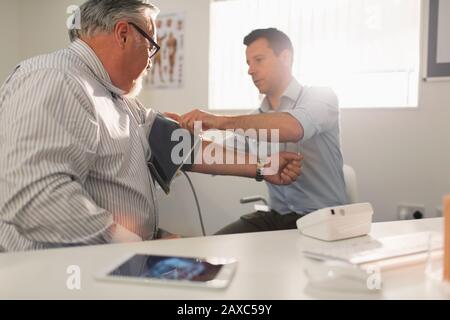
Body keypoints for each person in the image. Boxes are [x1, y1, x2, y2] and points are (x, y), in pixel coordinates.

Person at [0, 3, 302, 252]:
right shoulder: (55, 78)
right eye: (151, 44)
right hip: (58, 278)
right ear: (123, 34)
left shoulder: (116, 96)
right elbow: (35, 196)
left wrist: (263, 166)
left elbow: (181, 148)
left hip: (114, 258)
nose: (151, 61)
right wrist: (137, 246)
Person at [176, 28, 347, 234]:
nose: (250, 70)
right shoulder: (255, 119)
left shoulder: (322, 96)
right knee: (214, 251)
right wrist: (184, 137)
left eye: (259, 60)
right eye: (248, 63)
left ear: (285, 57)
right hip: (277, 217)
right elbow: (216, 154)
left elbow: (294, 127)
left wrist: (219, 121)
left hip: (323, 219)